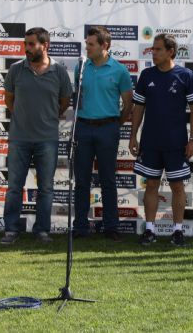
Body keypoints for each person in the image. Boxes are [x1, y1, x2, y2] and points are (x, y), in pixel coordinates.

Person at [1, 27, 73, 245]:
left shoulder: (59, 71)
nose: (27, 48)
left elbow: (64, 102)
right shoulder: (16, 70)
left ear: (45, 45)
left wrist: (48, 117)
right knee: (14, 186)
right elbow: (9, 100)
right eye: (26, 44)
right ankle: (11, 230)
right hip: (19, 138)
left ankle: (42, 230)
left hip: (47, 139)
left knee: (46, 188)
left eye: (32, 44)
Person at [129, 34, 193, 246]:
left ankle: (178, 231)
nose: (153, 52)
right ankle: (149, 230)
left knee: (177, 187)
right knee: (151, 185)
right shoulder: (146, 75)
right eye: (153, 49)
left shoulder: (185, 75)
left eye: (158, 49)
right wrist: (133, 136)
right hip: (150, 142)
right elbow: (138, 107)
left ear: (170, 52)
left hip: (176, 143)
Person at [72, 26, 133, 241]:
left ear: (104, 45)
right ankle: (80, 226)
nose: (86, 48)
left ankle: (111, 227)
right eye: (86, 43)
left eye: (91, 44)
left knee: (108, 179)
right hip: (83, 127)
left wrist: (116, 124)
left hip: (108, 128)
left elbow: (128, 104)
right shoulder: (80, 68)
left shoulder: (119, 70)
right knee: (81, 180)